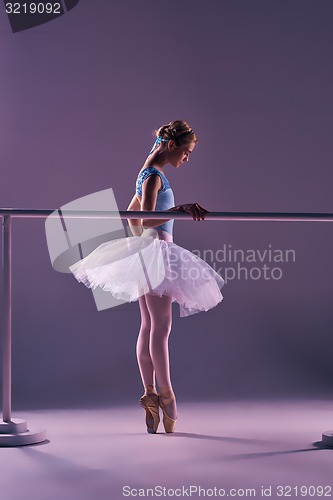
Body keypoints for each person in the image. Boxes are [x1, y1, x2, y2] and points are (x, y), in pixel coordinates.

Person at [69, 120, 224, 434]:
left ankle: (150, 393)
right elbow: (141, 219)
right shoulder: (154, 176)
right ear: (172, 146)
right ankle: (167, 396)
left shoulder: (145, 173)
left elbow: (131, 218)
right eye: (186, 152)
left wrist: (174, 210)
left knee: (149, 326)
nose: (187, 158)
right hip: (156, 255)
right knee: (161, 327)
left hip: (145, 254)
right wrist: (179, 212)